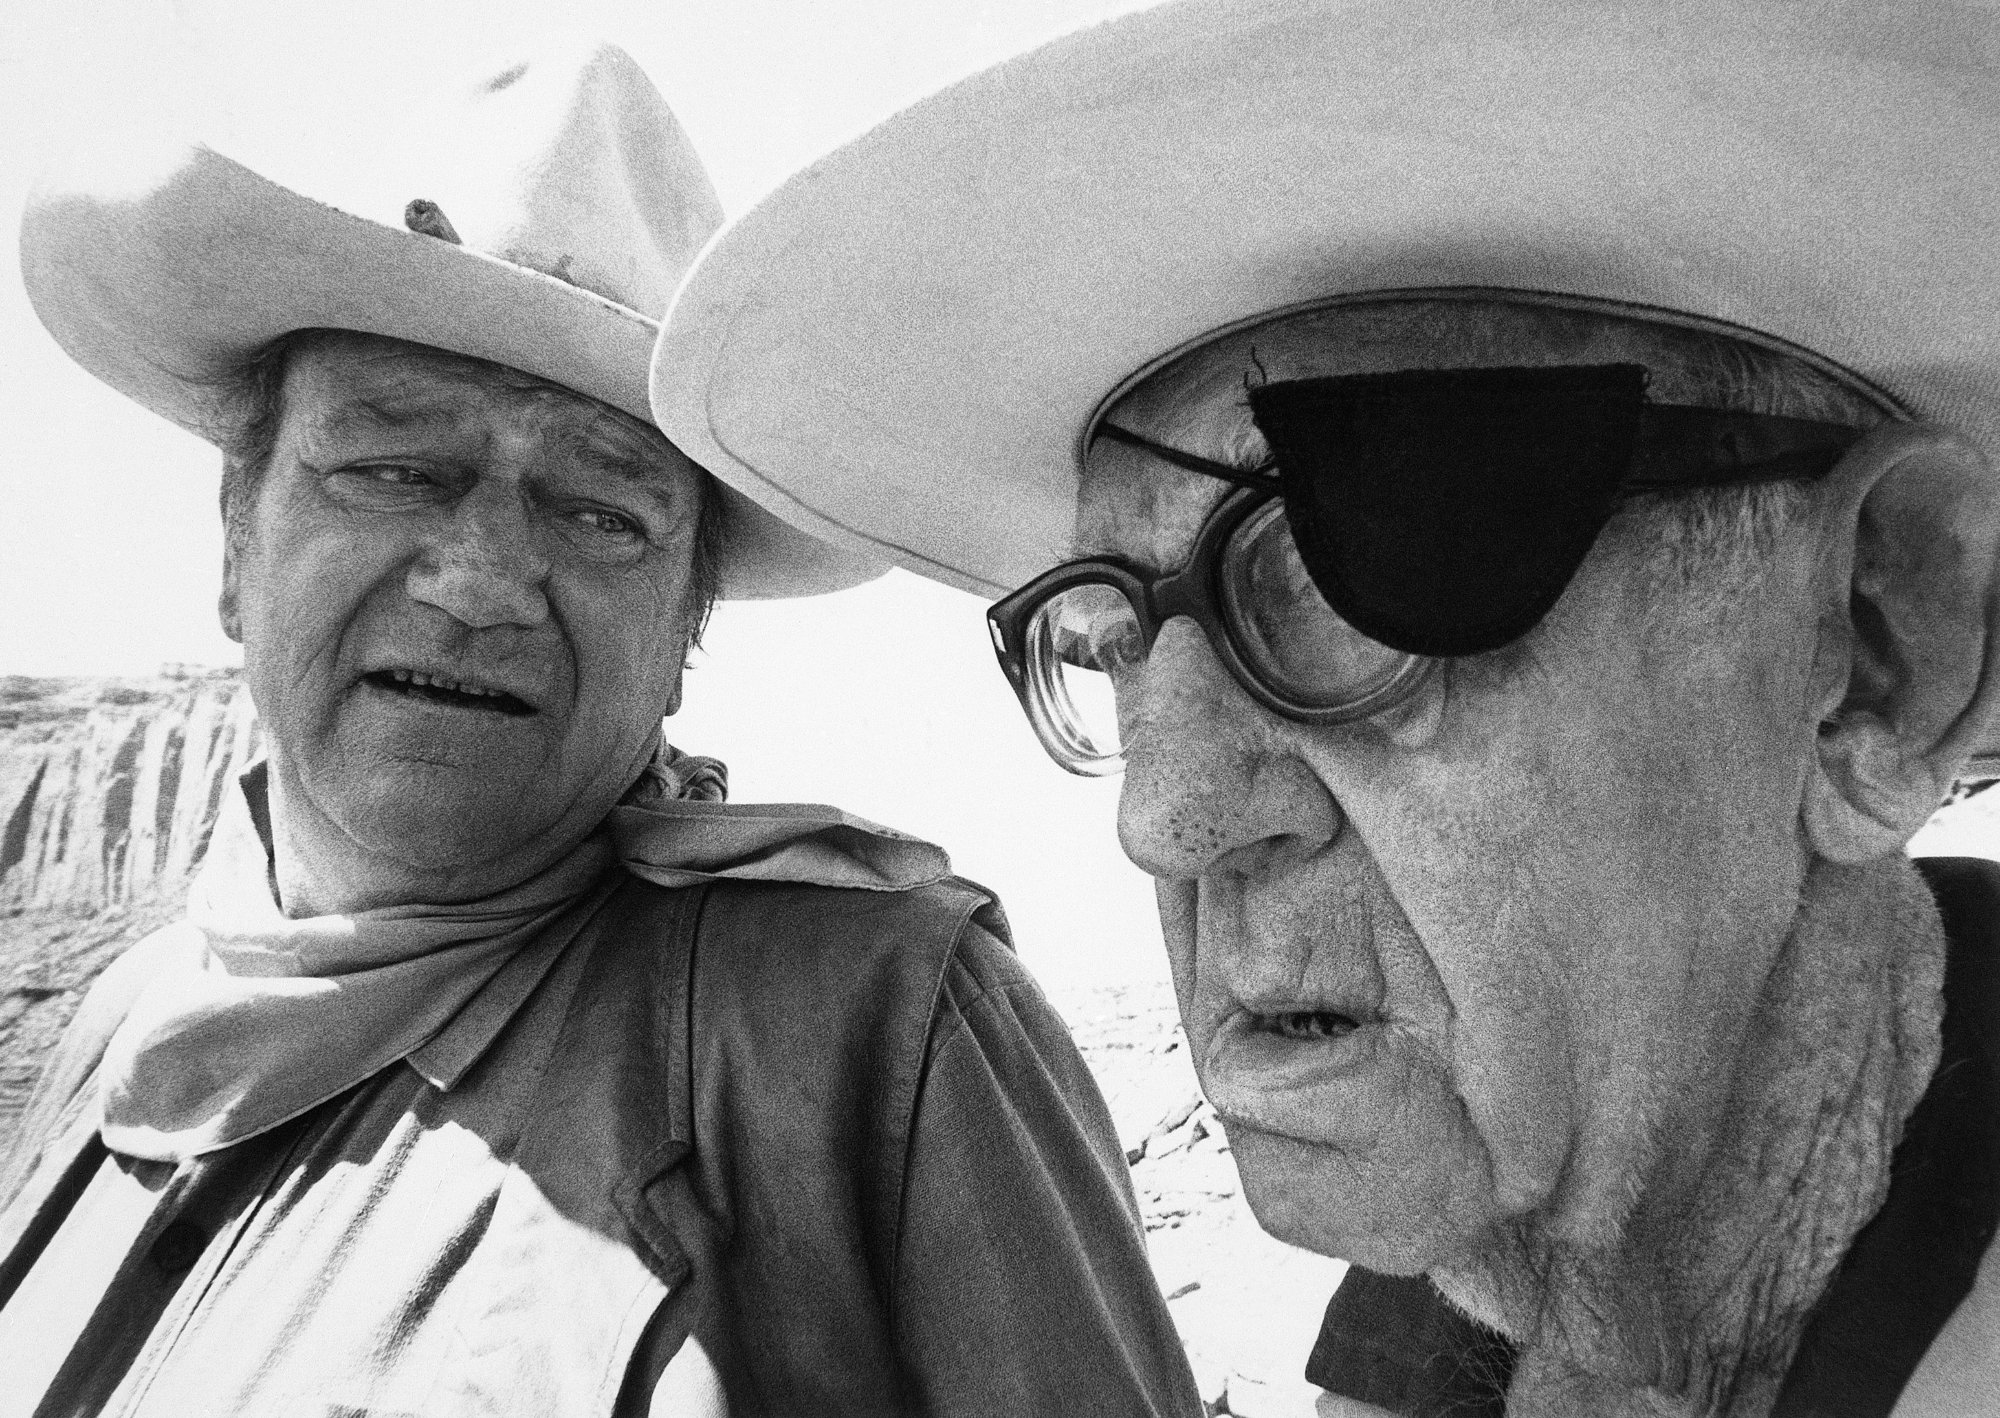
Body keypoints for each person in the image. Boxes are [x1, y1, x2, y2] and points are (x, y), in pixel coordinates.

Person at [647, 1, 2000, 1413]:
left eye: (1335, 581)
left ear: (1874, 649)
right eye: (1113, 640)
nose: (1162, 819)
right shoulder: (1451, 1253)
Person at [0, 43, 1200, 1418]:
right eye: (397, 466)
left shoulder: (878, 1042)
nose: (484, 577)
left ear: (686, 628)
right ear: (237, 539)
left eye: (598, 510)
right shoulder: (114, 1039)